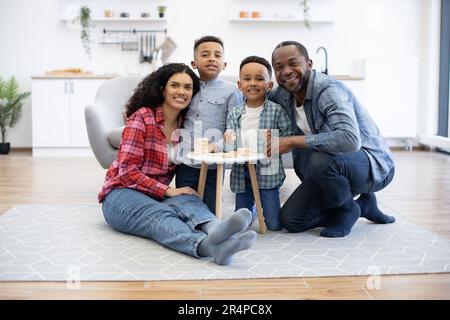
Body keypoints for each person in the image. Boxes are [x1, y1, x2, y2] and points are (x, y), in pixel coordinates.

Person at [98, 63, 256, 265]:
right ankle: (205, 246)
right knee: (160, 214)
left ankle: (218, 232)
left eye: (188, 87)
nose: (182, 92)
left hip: (156, 193)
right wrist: (168, 191)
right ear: (163, 89)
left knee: (189, 200)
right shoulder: (142, 118)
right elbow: (127, 172)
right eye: (175, 85)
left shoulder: (185, 124)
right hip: (121, 194)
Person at [269, 41, 396, 238]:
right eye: (279, 67)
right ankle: (363, 205)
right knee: (291, 220)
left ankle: (347, 210)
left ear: (309, 64)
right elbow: (256, 101)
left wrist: (293, 141)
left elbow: (349, 139)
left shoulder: (328, 90)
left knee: (319, 159)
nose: (286, 71)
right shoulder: (282, 94)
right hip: (329, 169)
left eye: (293, 63)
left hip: (371, 165)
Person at [175, 36, 243, 213]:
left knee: (211, 209)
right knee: (184, 206)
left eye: (217, 55)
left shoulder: (231, 91)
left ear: (224, 64)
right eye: (205, 54)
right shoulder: (186, 86)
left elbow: (235, 127)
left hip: (213, 163)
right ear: (194, 63)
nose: (212, 58)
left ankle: (213, 227)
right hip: (185, 161)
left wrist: (218, 146)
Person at [225, 56, 292, 231]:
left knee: (274, 225)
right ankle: (251, 210)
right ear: (239, 85)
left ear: (270, 85)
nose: (253, 83)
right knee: (241, 222)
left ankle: (262, 209)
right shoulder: (235, 113)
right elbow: (230, 140)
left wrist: (276, 140)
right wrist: (227, 141)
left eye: (260, 78)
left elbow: (288, 137)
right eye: (247, 79)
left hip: (268, 173)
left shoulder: (276, 111)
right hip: (242, 172)